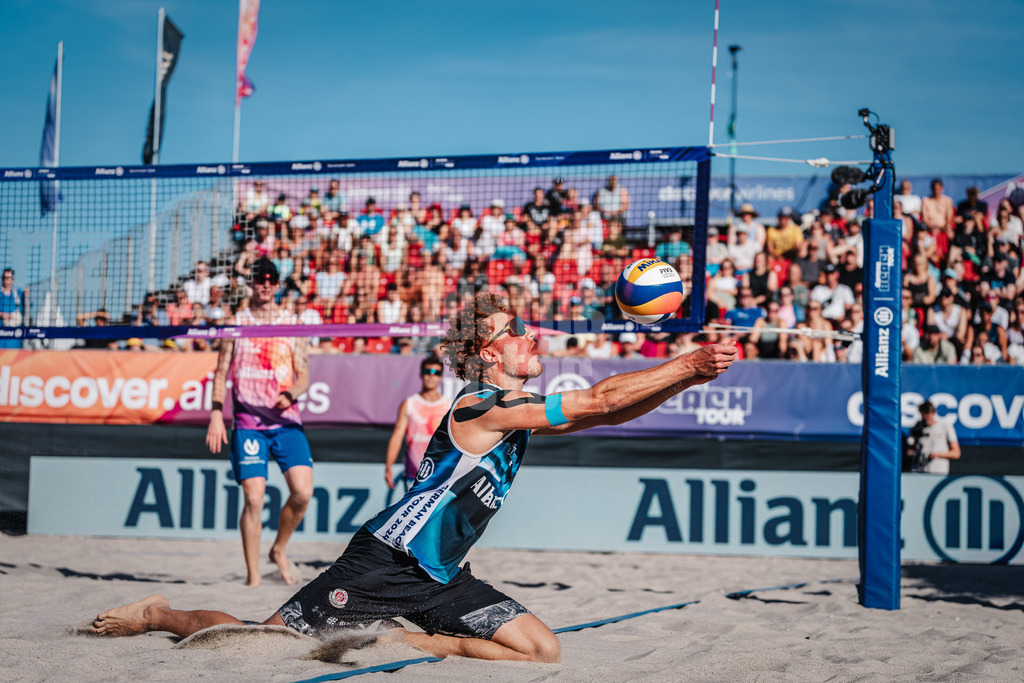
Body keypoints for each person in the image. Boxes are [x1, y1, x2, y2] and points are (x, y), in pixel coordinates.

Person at [92, 292, 737, 663]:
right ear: (490, 353)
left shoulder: (513, 415)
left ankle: (415, 640)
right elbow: (597, 401)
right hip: (382, 564)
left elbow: (608, 416)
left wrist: (691, 377)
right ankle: (159, 614)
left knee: (543, 651)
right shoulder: (480, 406)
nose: (532, 337)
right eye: (517, 333)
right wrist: (686, 364)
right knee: (259, 643)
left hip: (439, 578)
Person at [205, 257, 313, 587]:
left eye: (270, 279)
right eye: (259, 278)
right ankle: (253, 578)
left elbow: (304, 375)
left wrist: (291, 393)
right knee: (253, 498)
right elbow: (222, 370)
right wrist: (215, 414)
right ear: (250, 283)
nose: (265, 283)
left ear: (277, 284)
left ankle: (278, 550)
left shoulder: (292, 323)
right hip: (248, 421)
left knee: (303, 493)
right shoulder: (235, 322)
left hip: (284, 420)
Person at [382, 356, 452, 506]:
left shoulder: (448, 405)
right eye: (428, 371)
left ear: (440, 377)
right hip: (414, 473)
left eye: (436, 372)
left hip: (440, 473)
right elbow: (398, 435)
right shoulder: (410, 403)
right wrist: (389, 466)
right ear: (421, 374)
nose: (431, 376)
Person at [906, 401, 960, 475]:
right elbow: (909, 450)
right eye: (924, 416)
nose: (926, 420)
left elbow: (956, 453)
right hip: (918, 473)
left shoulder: (945, 427)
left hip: (937, 474)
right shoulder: (916, 428)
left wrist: (935, 455)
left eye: (928, 416)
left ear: (934, 413)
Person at [0, 268, 28, 349]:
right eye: (4, 277)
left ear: (12, 280)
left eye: (9, 278)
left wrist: (27, 296)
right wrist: (5, 315)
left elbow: (28, 307)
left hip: (15, 340)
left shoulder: (19, 294)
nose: (6, 280)